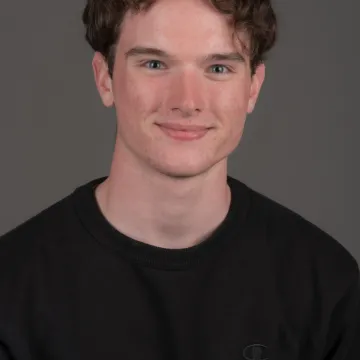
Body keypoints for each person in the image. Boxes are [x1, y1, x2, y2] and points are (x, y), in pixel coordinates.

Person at [0, 0, 359, 359]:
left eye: (218, 68)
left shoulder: (324, 284)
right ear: (104, 78)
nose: (187, 101)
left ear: (253, 87)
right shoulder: (11, 287)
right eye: (155, 64)